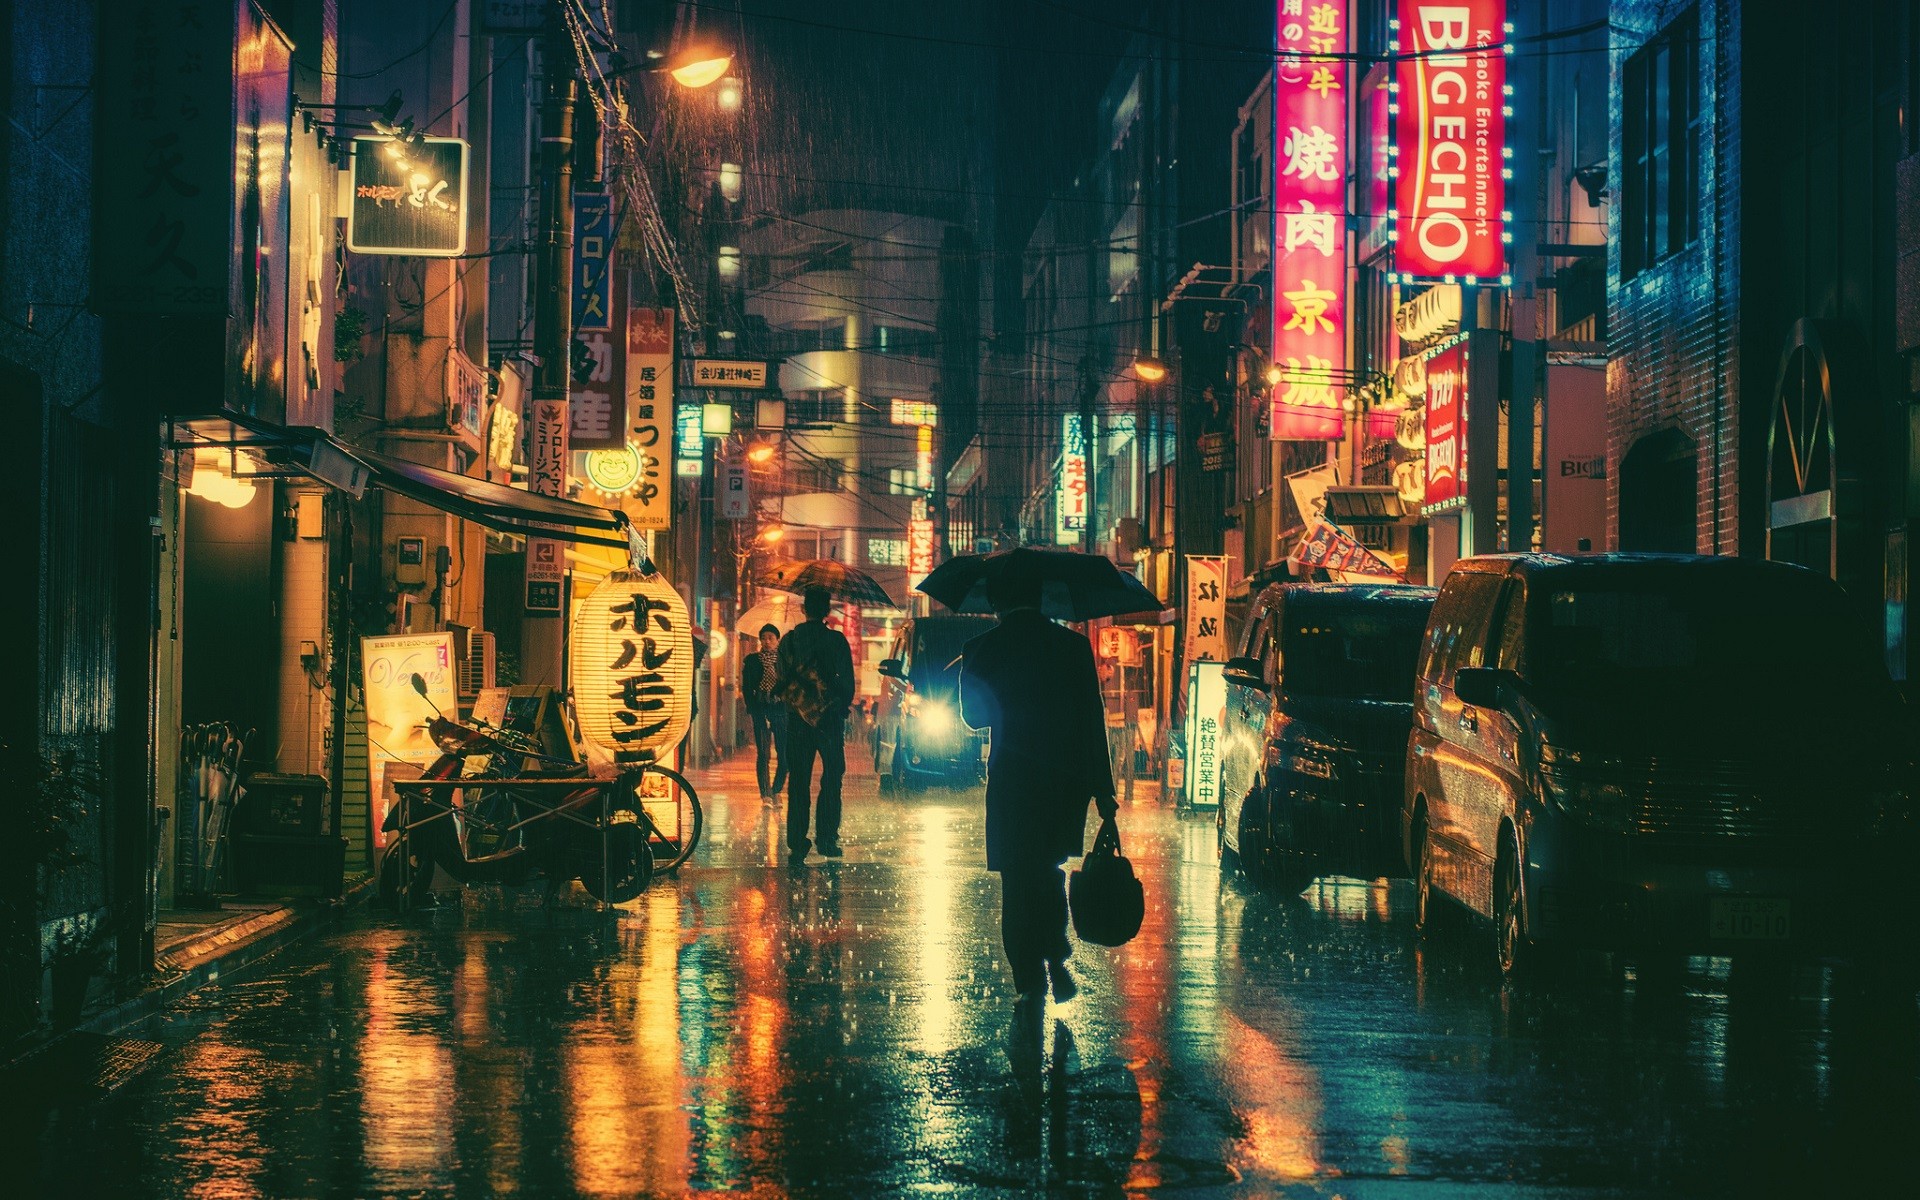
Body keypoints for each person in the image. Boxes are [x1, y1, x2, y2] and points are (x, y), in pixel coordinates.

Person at [959, 572, 1117, 1019]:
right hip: (1063, 781)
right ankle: (1056, 953)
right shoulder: (1071, 647)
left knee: (1016, 878)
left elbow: (973, 717)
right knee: (1048, 869)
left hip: (1012, 779)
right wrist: (1102, 790)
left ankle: (1030, 979)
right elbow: (1092, 717)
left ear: (997, 602)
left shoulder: (982, 649)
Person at [774, 584, 855, 863]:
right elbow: (847, 682)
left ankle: (798, 842)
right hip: (830, 719)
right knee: (832, 777)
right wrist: (838, 705)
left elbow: (781, 678)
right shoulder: (837, 641)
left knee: (798, 780)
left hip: (797, 719)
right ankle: (827, 839)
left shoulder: (789, 640)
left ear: (803, 609)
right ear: (827, 610)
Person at [741, 623, 788, 802]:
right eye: (764, 638)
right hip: (760, 709)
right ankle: (765, 793)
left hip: (780, 709)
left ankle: (776, 790)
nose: (767, 641)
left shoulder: (784, 661)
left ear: (777, 640)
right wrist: (752, 707)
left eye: (771, 638)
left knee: (784, 755)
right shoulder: (752, 660)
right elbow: (746, 687)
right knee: (763, 753)